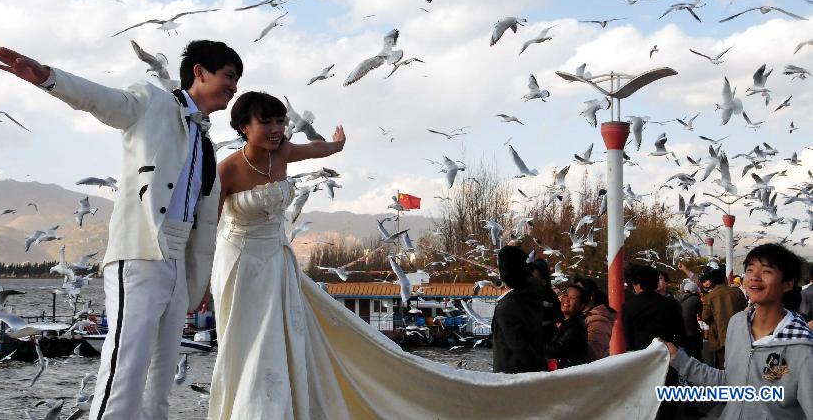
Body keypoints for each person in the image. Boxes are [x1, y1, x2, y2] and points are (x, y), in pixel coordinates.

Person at [205, 92, 671, 419]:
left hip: (278, 264)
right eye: (265, 122)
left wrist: (339, 145)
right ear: (242, 126)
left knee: (283, 343)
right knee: (250, 344)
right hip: (241, 262)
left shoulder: (283, 153)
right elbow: (208, 224)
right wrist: (199, 284)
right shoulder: (227, 168)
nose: (276, 130)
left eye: (280, 121)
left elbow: (316, 148)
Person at [0, 41, 242, 420]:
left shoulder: (206, 143)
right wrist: (48, 78)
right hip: (141, 252)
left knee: (161, 379)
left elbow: (202, 218)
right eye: (229, 76)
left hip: (178, 264)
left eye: (237, 81)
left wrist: (199, 279)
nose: (233, 87)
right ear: (199, 72)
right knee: (126, 365)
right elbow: (100, 99)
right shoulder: (152, 104)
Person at [663, 244, 813, 419]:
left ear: (788, 284)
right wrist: (679, 360)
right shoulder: (737, 324)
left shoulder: (803, 347)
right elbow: (729, 382)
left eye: (766, 271)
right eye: (749, 270)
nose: (754, 277)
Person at [622, 264, 686, 420]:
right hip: (667, 358)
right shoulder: (670, 304)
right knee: (667, 400)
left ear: (636, 285)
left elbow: (628, 338)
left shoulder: (628, 306)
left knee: (644, 399)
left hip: (641, 359)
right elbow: (680, 331)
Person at [491, 246, 546, 373]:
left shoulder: (507, 307)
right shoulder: (534, 294)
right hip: (533, 376)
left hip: (512, 378)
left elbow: (520, 348)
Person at [703, 267, 748, 368]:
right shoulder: (737, 292)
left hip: (720, 336)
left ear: (712, 282)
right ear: (725, 279)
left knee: (724, 367)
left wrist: (716, 322)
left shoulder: (709, 297)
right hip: (739, 334)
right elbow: (746, 310)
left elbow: (705, 317)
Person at [545, 284, 591, 369]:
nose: (567, 300)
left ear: (581, 306)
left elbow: (556, 350)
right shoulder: (566, 321)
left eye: (573, 298)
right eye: (566, 295)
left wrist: (533, 346)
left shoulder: (576, 326)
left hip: (570, 374)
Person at [573, 276, 616, 361]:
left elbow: (594, 354)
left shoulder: (597, 321)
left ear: (591, 296)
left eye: (577, 292)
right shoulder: (579, 317)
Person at [679, 279, 704, 361]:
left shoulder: (679, 299)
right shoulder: (696, 300)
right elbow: (702, 316)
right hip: (692, 333)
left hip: (681, 333)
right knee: (696, 357)